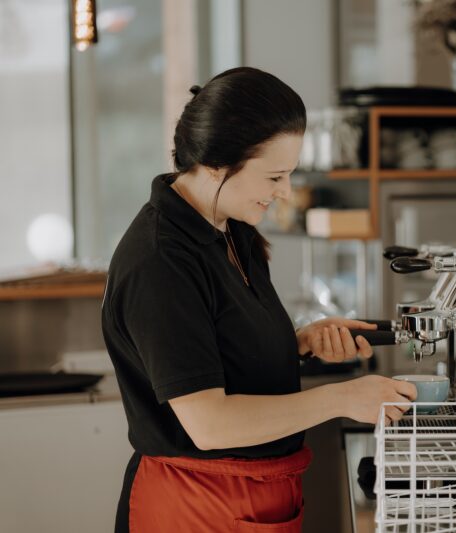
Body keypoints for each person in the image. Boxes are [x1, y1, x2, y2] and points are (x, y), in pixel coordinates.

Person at [101, 67, 416, 533]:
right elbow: (210, 424)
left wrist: (296, 343)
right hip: (194, 507)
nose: (285, 192)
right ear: (215, 164)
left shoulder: (230, 230)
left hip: (254, 498)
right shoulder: (161, 260)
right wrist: (342, 398)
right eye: (274, 176)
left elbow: (217, 352)